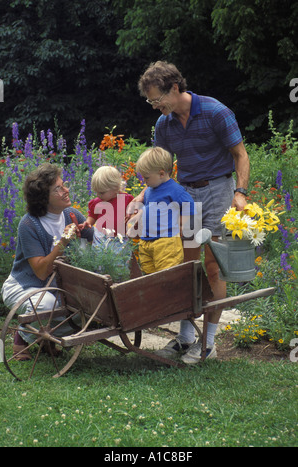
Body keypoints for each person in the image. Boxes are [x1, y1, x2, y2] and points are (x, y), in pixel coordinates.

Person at [137, 60, 250, 363]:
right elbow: (159, 170)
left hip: (217, 191)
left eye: (156, 99)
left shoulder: (215, 112)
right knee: (184, 266)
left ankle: (209, 343)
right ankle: (186, 336)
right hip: (184, 196)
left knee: (212, 265)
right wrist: (139, 198)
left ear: (174, 88)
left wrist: (240, 192)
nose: (153, 106)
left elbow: (240, 155)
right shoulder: (165, 124)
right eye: (150, 100)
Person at [1, 163, 93, 360]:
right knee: (46, 306)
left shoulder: (72, 215)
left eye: (63, 185)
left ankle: (45, 338)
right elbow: (41, 272)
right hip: (25, 285)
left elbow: (95, 239)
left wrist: (92, 229)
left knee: (88, 309)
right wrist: (63, 242)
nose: (66, 190)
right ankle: (23, 337)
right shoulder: (29, 224)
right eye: (58, 188)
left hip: (55, 288)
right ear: (44, 198)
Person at [134, 146, 197, 349]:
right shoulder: (151, 190)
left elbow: (189, 205)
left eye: (146, 178)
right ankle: (158, 306)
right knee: (149, 274)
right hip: (147, 240)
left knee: (166, 273)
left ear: (162, 173)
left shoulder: (175, 190)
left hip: (166, 241)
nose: (144, 182)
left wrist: (182, 225)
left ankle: (169, 306)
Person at [81, 166, 134, 246]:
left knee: (121, 257)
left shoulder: (126, 199)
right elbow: (92, 215)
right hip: (102, 238)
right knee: (101, 256)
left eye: (101, 193)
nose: (98, 195)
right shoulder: (97, 202)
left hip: (120, 238)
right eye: (96, 192)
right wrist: (88, 222)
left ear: (115, 188)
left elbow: (134, 213)